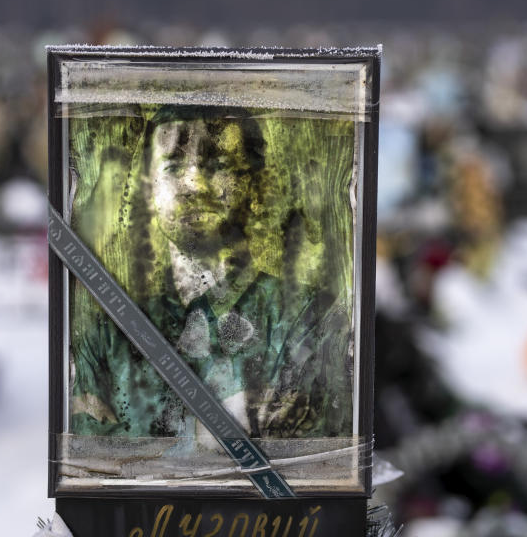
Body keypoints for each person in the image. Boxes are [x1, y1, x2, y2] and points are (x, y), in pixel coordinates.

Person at [69, 106, 353, 440]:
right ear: (149, 188)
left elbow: (316, 453)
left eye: (219, 164)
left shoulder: (311, 320)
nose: (193, 183)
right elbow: (92, 454)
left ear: (258, 186)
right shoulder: (108, 338)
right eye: (173, 166)